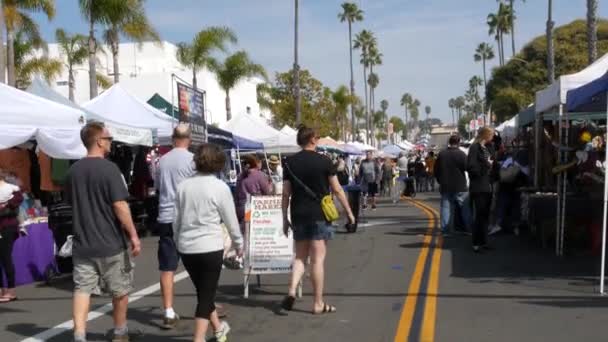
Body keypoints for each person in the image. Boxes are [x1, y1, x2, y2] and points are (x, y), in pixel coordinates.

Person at [65, 122, 141, 342]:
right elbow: (120, 205)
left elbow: (72, 202)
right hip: (110, 242)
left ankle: (79, 334)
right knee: (120, 290)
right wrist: (134, 235)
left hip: (83, 242)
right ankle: (119, 332)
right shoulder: (110, 169)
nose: (110, 141)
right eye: (108, 138)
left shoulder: (73, 171)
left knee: (82, 289)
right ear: (98, 141)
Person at [281, 126, 355, 314]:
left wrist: (284, 217)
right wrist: (349, 212)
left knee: (299, 257)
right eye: (318, 137)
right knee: (317, 260)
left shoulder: (289, 163)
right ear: (313, 139)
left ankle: (291, 290)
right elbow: (337, 190)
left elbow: (286, 194)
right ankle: (318, 303)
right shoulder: (324, 161)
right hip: (319, 215)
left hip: (298, 214)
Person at [173, 143, 243, 342]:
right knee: (206, 295)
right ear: (218, 164)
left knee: (204, 291)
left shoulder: (183, 186)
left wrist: (178, 241)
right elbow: (230, 220)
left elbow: (175, 220)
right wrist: (238, 243)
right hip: (210, 247)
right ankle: (199, 338)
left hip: (187, 247)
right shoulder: (219, 187)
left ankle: (219, 328)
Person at [156, 124, 196, 329]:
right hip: (187, 218)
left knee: (167, 267)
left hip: (165, 216)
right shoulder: (192, 160)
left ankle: (168, 310)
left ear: (173, 139)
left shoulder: (161, 161)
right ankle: (208, 306)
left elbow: (158, 187)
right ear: (188, 139)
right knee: (199, 263)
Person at [434, 135, 472, 237]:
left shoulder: (442, 154)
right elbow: (467, 168)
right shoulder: (461, 154)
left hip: (445, 185)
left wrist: (440, 181)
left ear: (449, 142)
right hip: (460, 186)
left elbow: (436, 170)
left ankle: (445, 230)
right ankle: (468, 229)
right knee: (465, 208)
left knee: (445, 208)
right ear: (458, 142)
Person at [467, 127, 495, 253]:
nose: (492, 137)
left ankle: (484, 241)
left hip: (488, 184)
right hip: (478, 185)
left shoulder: (488, 147)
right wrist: (486, 165)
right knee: (479, 215)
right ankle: (476, 243)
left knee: (485, 215)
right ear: (485, 135)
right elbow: (471, 167)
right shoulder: (475, 148)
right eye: (491, 134)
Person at [0, 169, 23, 303]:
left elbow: (16, 203)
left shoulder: (12, 189)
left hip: (7, 227)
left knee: (5, 257)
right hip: (6, 225)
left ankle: (10, 290)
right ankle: (3, 289)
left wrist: (4, 206)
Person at [236, 154, 273, 232]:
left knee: (246, 232)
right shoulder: (260, 175)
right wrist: (270, 185)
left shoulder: (239, 176)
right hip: (255, 209)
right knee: (256, 232)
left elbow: (237, 194)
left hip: (242, 208)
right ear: (255, 163)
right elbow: (267, 193)